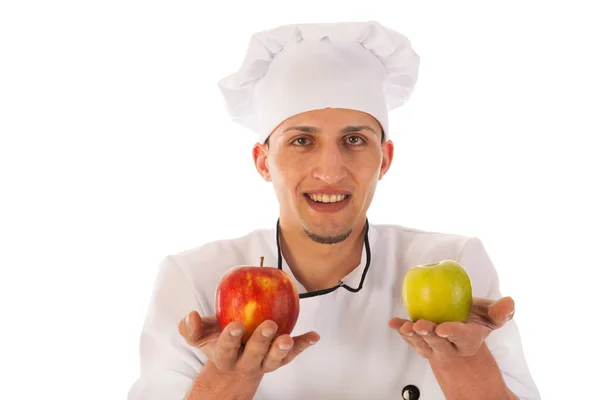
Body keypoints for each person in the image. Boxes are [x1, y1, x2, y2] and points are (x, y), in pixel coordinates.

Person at [127, 21, 540, 400]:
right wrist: (233, 377)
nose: (330, 171)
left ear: (385, 159)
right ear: (263, 161)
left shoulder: (452, 262)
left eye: (355, 140)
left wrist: (464, 362)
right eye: (302, 141)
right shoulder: (193, 281)